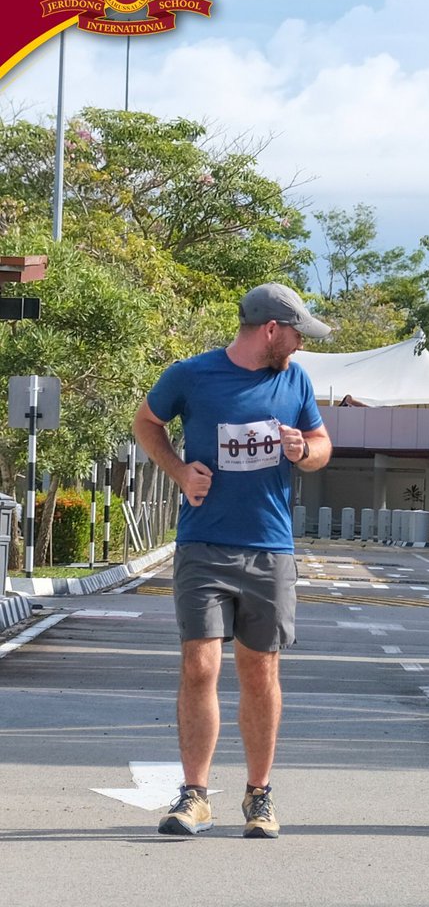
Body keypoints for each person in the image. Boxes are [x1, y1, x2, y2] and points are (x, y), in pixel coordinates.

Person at [132, 281, 334, 839]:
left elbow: (322, 445)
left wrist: (303, 451)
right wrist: (178, 470)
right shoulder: (191, 375)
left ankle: (258, 796)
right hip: (203, 544)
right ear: (271, 329)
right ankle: (194, 796)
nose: (298, 344)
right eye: (296, 334)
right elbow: (145, 422)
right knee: (199, 665)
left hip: (270, 547)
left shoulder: (294, 380)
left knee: (259, 668)